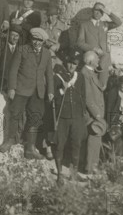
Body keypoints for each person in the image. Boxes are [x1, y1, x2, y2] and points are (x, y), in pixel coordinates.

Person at [0, 28, 54, 159]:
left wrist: (50, 91)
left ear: (44, 42)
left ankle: (30, 148)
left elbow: (49, 74)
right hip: (21, 89)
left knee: (35, 117)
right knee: (15, 113)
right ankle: (10, 140)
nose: (36, 42)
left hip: (38, 91)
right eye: (34, 39)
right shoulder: (22, 50)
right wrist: (12, 88)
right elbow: (13, 70)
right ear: (31, 39)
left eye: (39, 40)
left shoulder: (46, 54)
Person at [53, 49, 86, 185]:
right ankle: (60, 174)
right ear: (66, 63)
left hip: (76, 116)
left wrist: (82, 113)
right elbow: (52, 97)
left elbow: (83, 96)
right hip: (63, 116)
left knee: (76, 144)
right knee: (60, 144)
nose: (72, 66)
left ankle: (73, 173)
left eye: (74, 64)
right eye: (70, 63)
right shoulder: (58, 76)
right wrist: (62, 90)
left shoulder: (80, 77)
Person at [76, 2, 122, 86]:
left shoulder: (105, 24)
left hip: (104, 60)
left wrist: (109, 12)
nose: (98, 13)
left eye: (101, 11)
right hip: (91, 59)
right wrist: (94, 49)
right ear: (92, 11)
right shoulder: (84, 25)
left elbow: (118, 22)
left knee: (102, 84)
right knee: (91, 84)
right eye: (96, 10)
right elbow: (80, 43)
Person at [83, 51, 107, 173]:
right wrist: (96, 114)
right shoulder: (85, 73)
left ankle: (93, 165)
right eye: (97, 59)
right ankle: (90, 167)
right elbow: (87, 97)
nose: (98, 61)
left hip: (96, 111)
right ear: (90, 61)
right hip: (92, 113)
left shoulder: (91, 72)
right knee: (93, 137)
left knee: (96, 139)